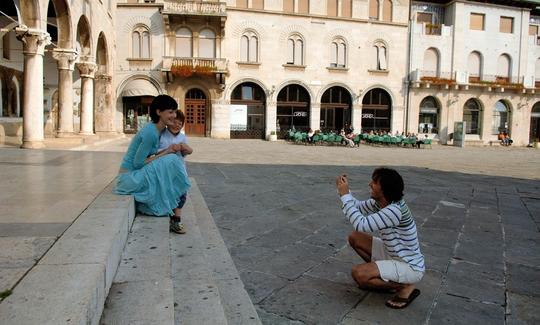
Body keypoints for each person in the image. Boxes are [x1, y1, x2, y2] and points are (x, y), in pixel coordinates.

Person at [335, 168, 425, 309]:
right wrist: (345, 191)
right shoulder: (381, 202)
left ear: (384, 189)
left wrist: (345, 195)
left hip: (409, 266)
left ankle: (404, 286)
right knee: (355, 237)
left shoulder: (394, 210)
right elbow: (357, 207)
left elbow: (361, 224)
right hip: (392, 254)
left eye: (374, 182)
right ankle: (385, 278)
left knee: (359, 274)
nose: (370, 184)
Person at [114, 95, 191, 230]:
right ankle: (175, 206)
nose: (174, 116)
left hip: (134, 175)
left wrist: (167, 151)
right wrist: (167, 152)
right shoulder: (151, 133)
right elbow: (138, 163)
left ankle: (175, 206)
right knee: (172, 160)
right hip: (129, 178)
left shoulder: (156, 129)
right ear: (158, 112)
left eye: (174, 111)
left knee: (171, 158)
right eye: (170, 112)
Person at [158, 109, 193, 234]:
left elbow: (186, 153)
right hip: (165, 170)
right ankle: (170, 218)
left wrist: (186, 149)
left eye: (180, 123)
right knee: (168, 193)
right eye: (176, 122)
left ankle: (176, 220)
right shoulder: (161, 135)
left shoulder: (182, 137)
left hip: (179, 171)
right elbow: (156, 153)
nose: (178, 125)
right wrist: (169, 149)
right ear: (169, 122)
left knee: (181, 194)